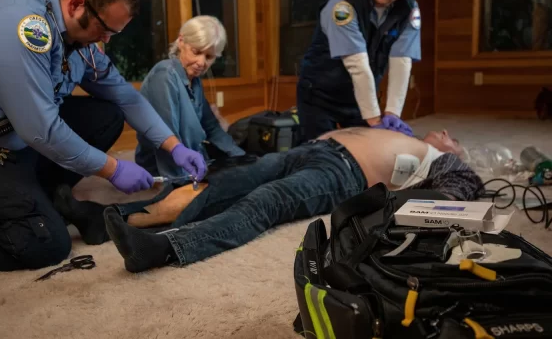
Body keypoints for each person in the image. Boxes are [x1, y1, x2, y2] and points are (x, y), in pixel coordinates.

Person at [0, 0, 208, 275]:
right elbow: (41, 129)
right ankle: (22, 207)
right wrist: (112, 168)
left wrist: (174, 146)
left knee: (107, 116)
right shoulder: (20, 24)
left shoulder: (73, 32)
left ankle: (36, 197)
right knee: (46, 241)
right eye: (106, 30)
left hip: (16, 139)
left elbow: (125, 96)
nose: (106, 40)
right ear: (76, 5)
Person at [58, 127, 482, 273]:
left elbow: (457, 192)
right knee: (222, 182)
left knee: (267, 200)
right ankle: (110, 219)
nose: (444, 133)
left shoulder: (443, 159)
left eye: (452, 136)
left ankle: (164, 249)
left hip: (343, 173)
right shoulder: (400, 130)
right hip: (308, 149)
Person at [296, 0, 421, 142]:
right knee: (319, 152)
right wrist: (375, 121)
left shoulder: (408, 10)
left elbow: (402, 62)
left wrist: (392, 113)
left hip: (358, 98)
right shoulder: (343, 6)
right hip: (320, 95)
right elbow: (358, 66)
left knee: (366, 153)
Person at [135, 15, 246, 182]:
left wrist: (242, 158)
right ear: (181, 42)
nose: (201, 63)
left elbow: (212, 127)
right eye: (197, 52)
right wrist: (184, 182)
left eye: (209, 57)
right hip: (163, 166)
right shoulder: (164, 75)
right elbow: (167, 138)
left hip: (195, 158)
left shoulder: (195, 80)